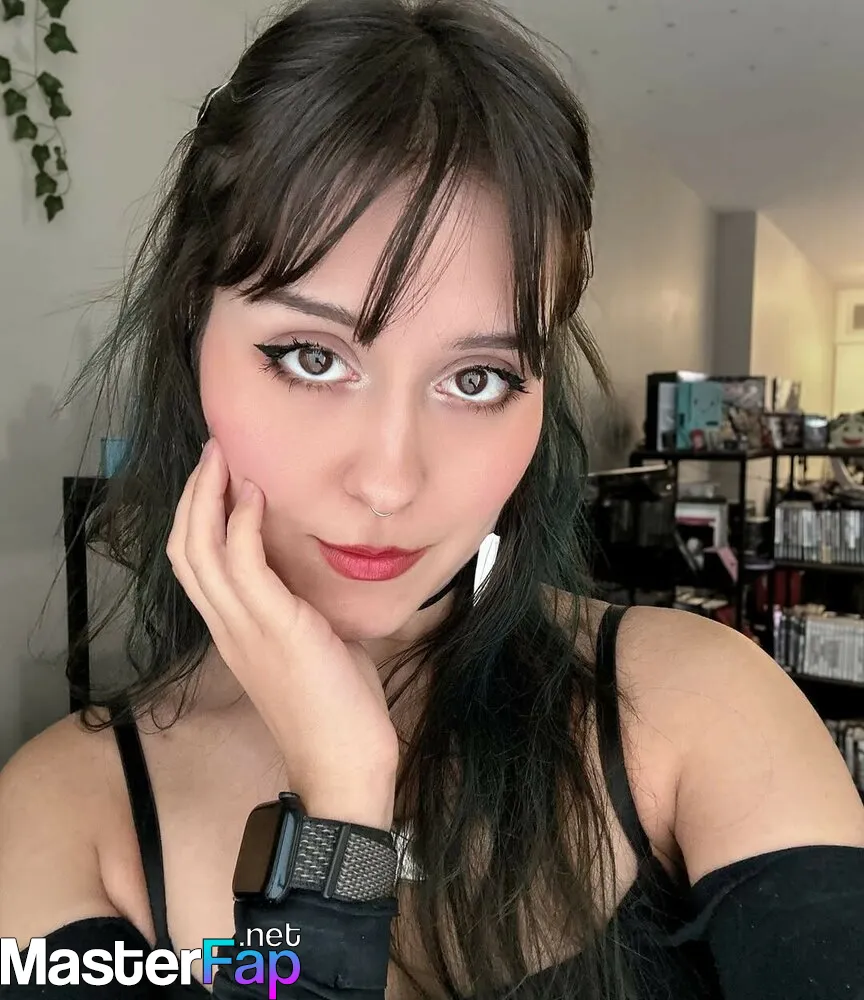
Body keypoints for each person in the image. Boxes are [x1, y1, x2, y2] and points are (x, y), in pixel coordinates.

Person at [1, 0, 863, 997]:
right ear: (194, 337)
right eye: (312, 357)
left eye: (477, 378)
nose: (389, 481)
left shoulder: (699, 709)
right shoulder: (63, 816)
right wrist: (337, 808)